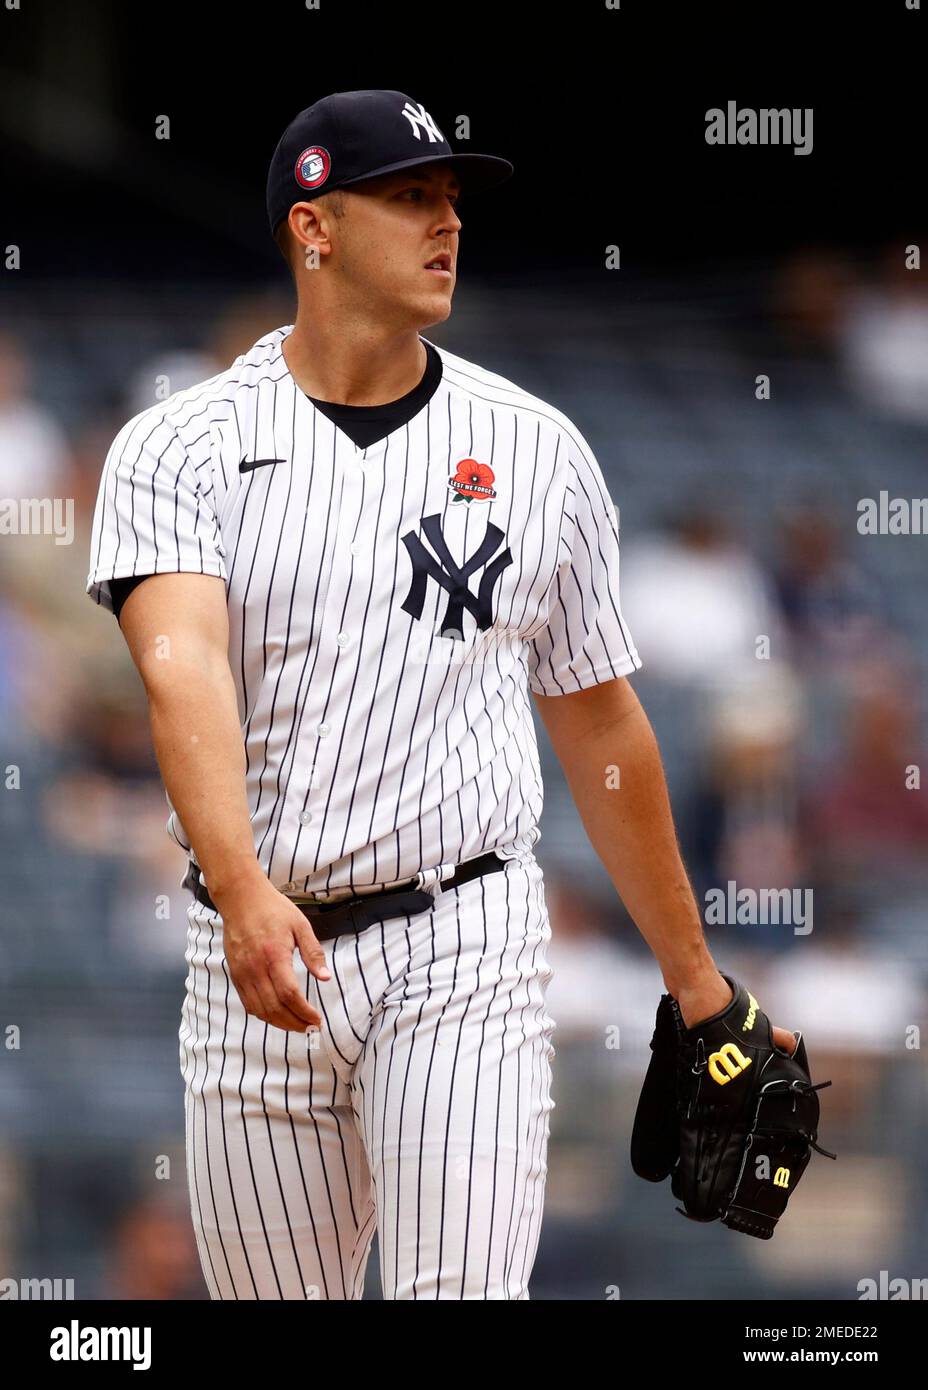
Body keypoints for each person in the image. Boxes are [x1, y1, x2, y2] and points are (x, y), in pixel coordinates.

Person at [86, 89, 797, 1300]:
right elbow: (181, 666)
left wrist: (693, 977)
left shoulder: (535, 448)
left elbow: (599, 720)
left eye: (451, 199)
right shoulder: (181, 444)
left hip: (460, 937)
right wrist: (246, 888)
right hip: (258, 949)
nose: (445, 222)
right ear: (312, 228)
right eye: (409, 195)